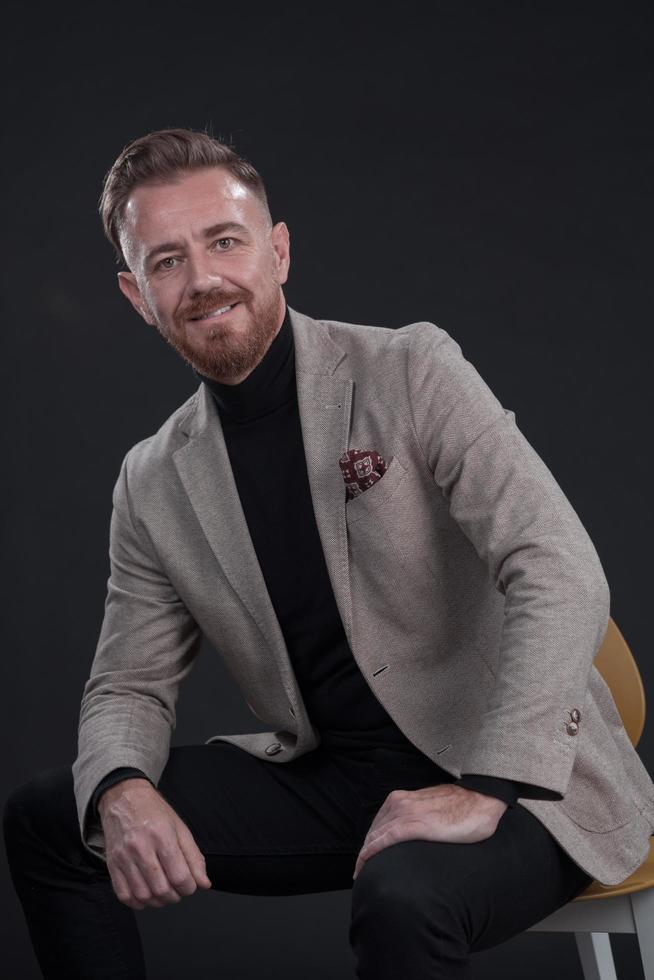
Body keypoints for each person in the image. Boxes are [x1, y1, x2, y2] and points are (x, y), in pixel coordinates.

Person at [4, 127, 654, 980]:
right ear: (136, 294)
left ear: (277, 252)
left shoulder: (410, 369)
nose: (202, 279)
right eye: (166, 262)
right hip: (338, 782)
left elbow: (558, 564)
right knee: (56, 815)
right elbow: (129, 680)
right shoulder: (152, 478)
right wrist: (121, 786)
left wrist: (489, 785)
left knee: (404, 895)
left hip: (521, 776)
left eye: (225, 242)